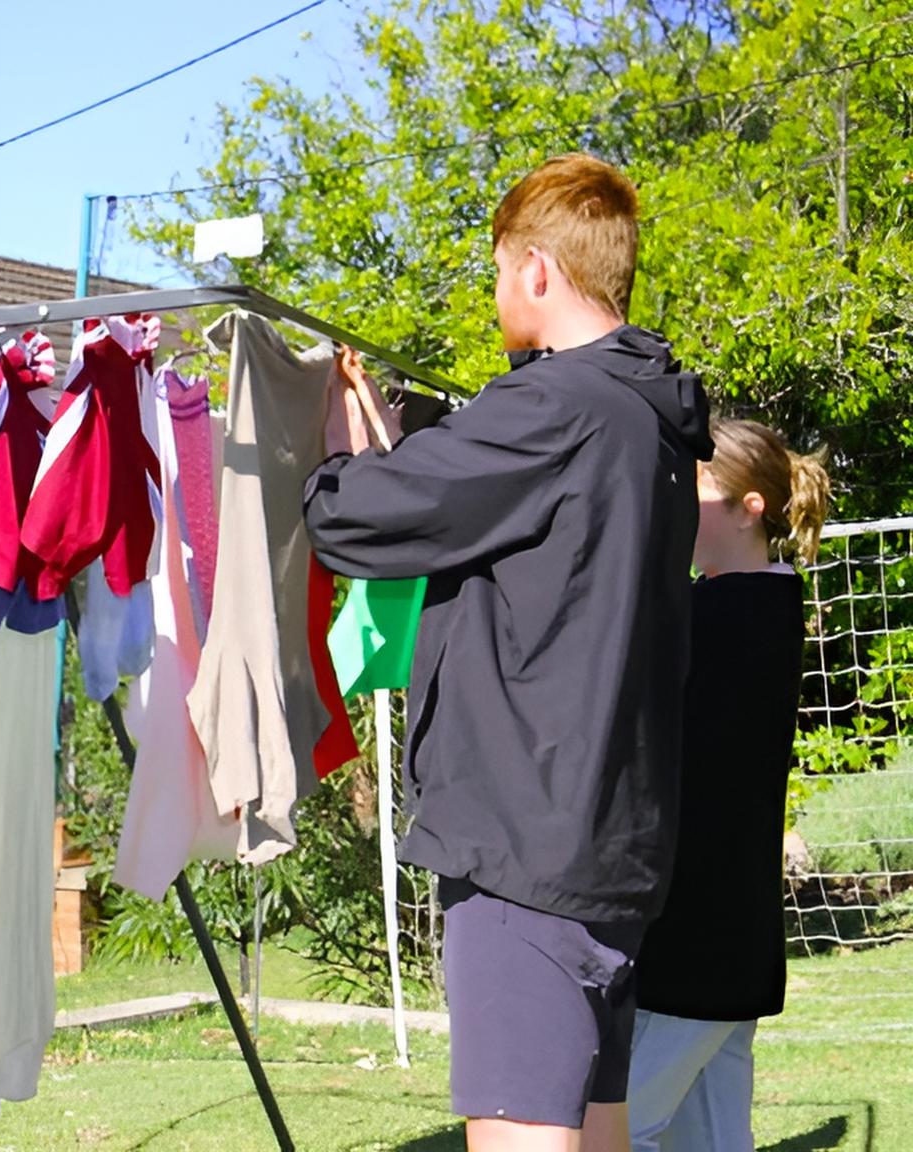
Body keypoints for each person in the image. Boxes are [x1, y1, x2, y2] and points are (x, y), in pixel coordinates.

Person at [302, 152, 712, 1152]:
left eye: (495, 271)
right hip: (606, 849)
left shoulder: (553, 410)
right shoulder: (646, 421)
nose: (493, 295)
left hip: (522, 854)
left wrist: (336, 455)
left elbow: (355, 523)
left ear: (535, 270)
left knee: (524, 1138)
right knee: (595, 1130)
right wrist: (415, 447)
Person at [627, 419, 830, 1150]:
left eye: (696, 491)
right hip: (724, 943)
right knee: (709, 1140)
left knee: (618, 1132)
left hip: (696, 944)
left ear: (751, 508)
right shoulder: (755, 605)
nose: (677, 504)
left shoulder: (734, 614)